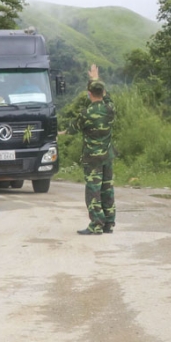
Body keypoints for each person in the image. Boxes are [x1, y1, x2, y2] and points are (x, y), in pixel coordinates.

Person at [73, 64, 116, 235]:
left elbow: (74, 127)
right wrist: (96, 80)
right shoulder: (110, 109)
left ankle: (96, 224)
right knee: (107, 188)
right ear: (103, 93)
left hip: (92, 158)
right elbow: (108, 98)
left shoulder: (86, 113)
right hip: (107, 156)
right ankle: (109, 223)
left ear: (89, 94)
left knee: (93, 190)